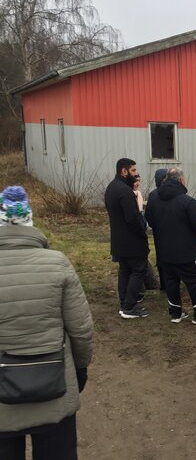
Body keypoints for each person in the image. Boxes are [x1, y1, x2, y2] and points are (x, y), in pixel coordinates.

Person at [0, 186, 93, 460]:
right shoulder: (58, 264)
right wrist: (80, 368)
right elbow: (82, 329)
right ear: (30, 221)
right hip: (54, 391)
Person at [145, 168, 196, 325]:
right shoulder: (188, 202)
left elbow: (150, 221)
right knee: (194, 282)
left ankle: (176, 313)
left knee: (171, 282)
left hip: (165, 252)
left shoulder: (154, 199)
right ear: (181, 180)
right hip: (187, 252)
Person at [104, 158, 150, 319]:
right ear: (124, 171)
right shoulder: (124, 191)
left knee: (125, 271)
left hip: (118, 240)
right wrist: (141, 232)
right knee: (138, 271)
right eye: (133, 171)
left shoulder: (112, 188)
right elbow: (132, 218)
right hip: (131, 241)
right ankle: (129, 306)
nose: (136, 174)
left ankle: (125, 304)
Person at [148, 168, 169, 293]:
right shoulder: (167, 194)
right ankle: (169, 284)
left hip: (159, 232)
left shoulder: (152, 195)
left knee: (161, 257)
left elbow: (148, 215)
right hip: (167, 231)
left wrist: (154, 225)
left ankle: (164, 285)